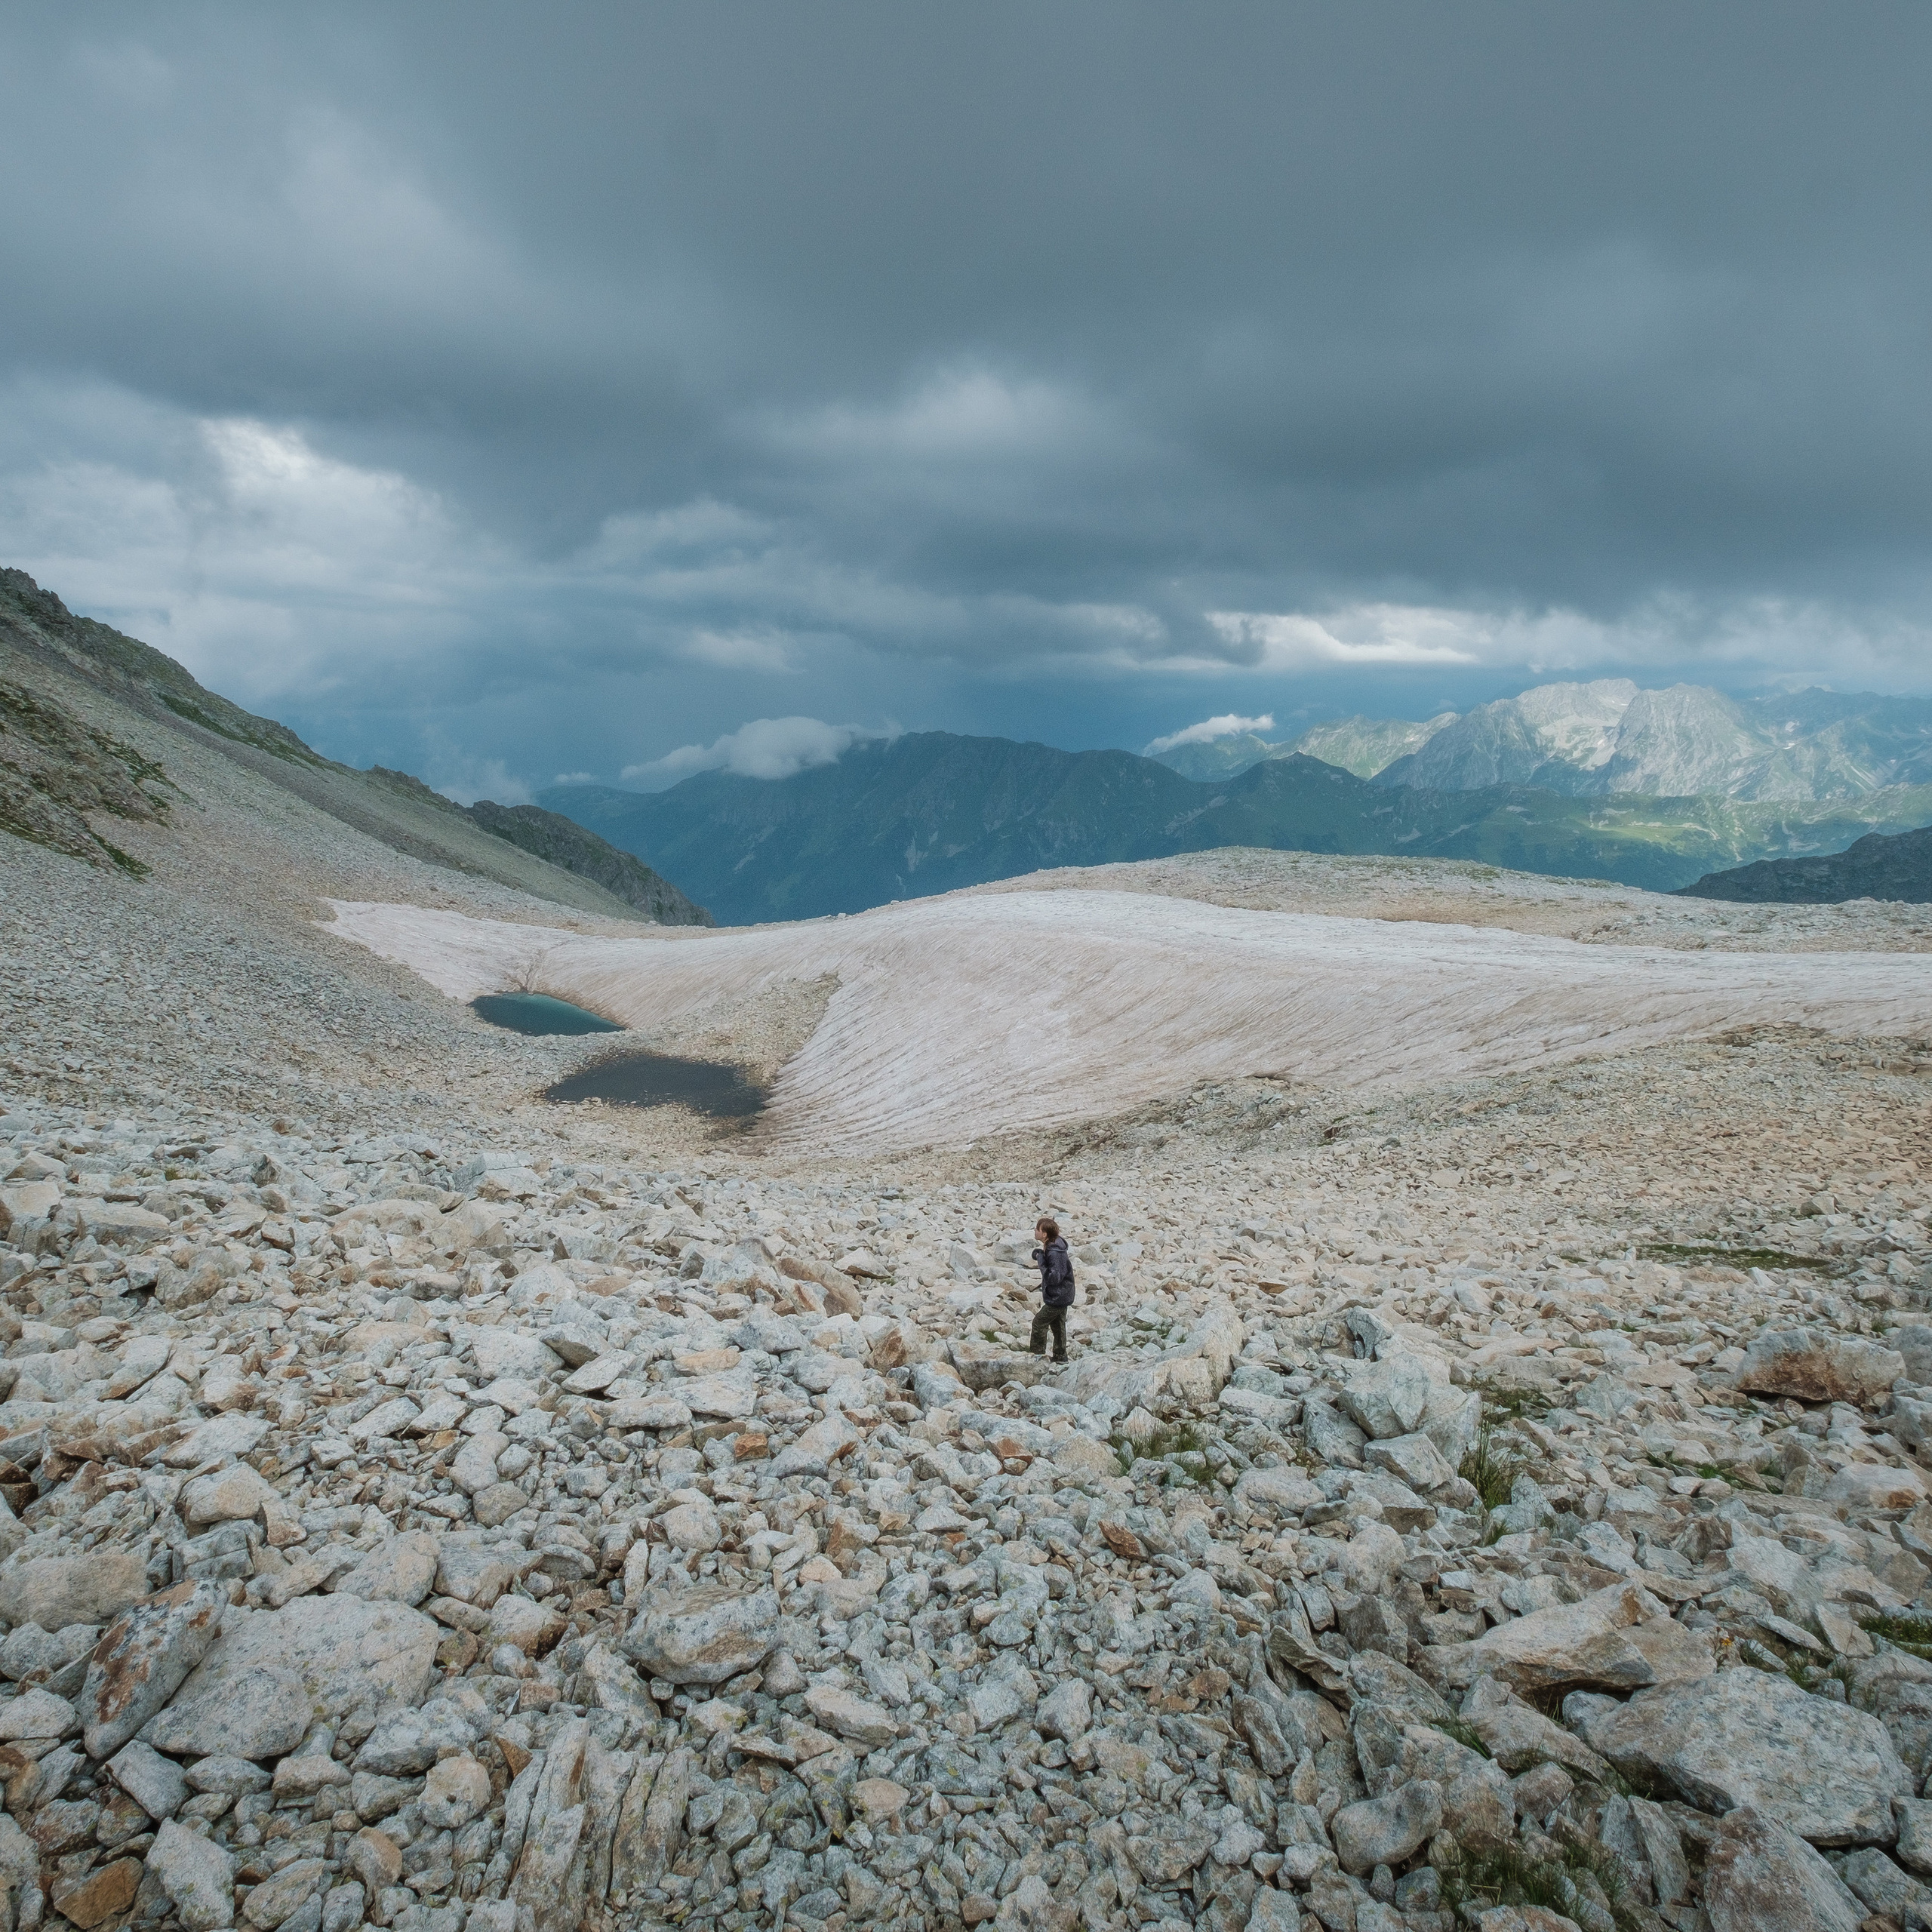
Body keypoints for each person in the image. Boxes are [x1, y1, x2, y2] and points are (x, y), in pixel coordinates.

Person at [1029, 1215, 1075, 1361]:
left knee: (1039, 1323)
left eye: (1037, 1229)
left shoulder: (1054, 1252)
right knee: (1058, 1325)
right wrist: (1041, 1254)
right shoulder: (1054, 1246)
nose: (1035, 1231)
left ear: (1044, 1234)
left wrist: (1041, 1260)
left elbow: (1053, 1278)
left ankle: (1037, 1357)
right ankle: (1060, 1357)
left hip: (1058, 1296)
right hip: (1064, 1294)